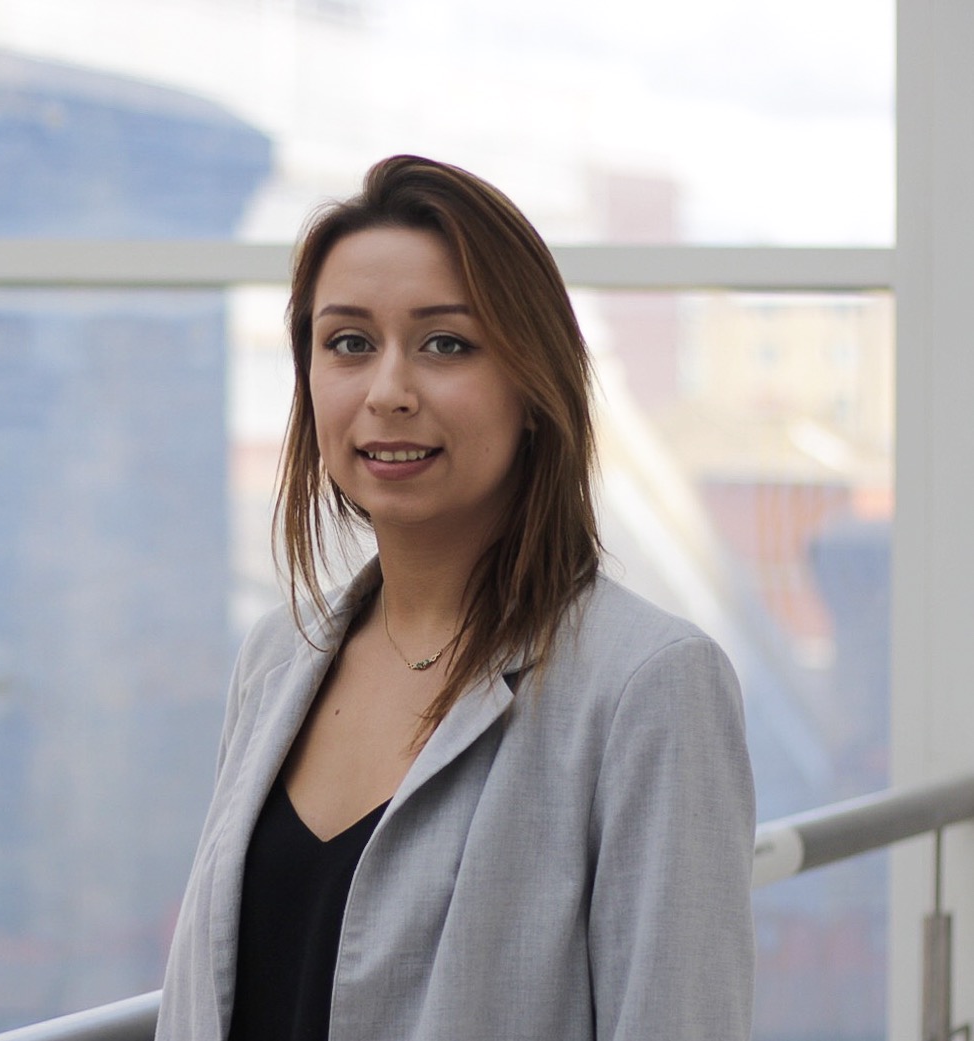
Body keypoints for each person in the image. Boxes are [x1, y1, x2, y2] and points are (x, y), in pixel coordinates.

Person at [156, 155, 755, 1041]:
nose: (389, 391)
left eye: (446, 343)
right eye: (349, 343)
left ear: (534, 387)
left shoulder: (649, 685)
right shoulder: (278, 657)